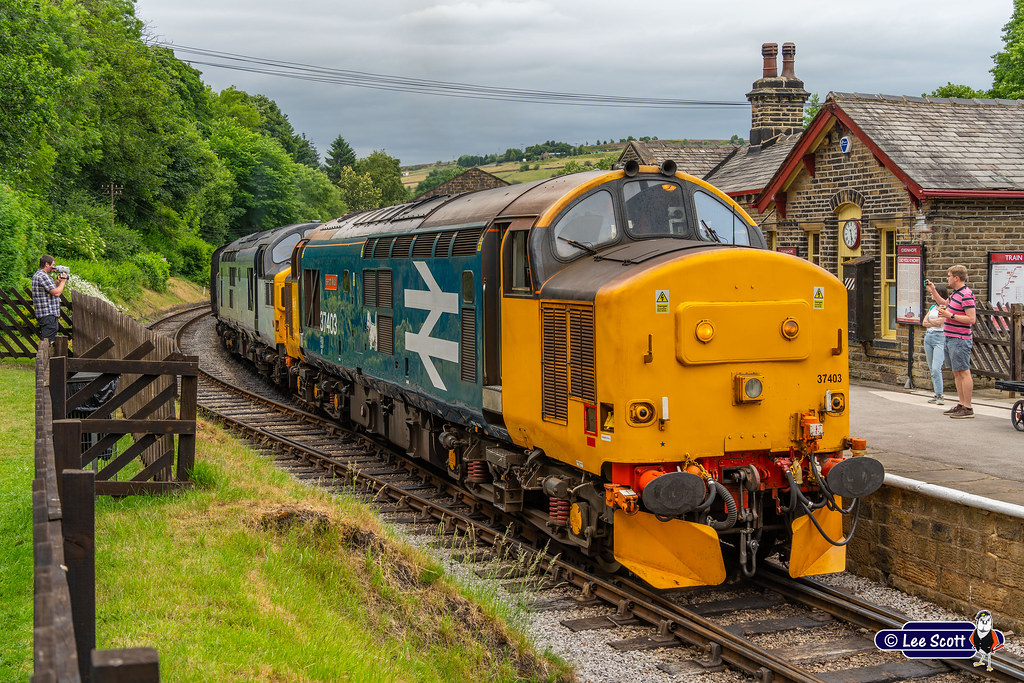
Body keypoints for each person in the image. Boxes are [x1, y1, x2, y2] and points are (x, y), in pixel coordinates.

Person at [925, 265, 976, 418]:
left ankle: (968, 407)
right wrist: (933, 290)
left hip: (960, 339)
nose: (947, 279)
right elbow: (944, 304)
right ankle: (961, 404)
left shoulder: (966, 294)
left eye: (948, 276)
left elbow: (971, 319)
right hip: (950, 337)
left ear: (956, 278)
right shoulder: (955, 294)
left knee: (964, 372)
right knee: (956, 372)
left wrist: (950, 316)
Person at [920, 284, 948, 405]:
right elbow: (923, 323)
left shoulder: (945, 308)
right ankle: (936, 393)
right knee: (931, 368)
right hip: (928, 337)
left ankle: (941, 395)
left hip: (940, 337)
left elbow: (940, 322)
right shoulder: (932, 307)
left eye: (934, 293)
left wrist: (930, 322)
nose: (932, 295)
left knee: (937, 368)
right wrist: (932, 322)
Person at [31, 254, 68, 346]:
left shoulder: (41, 275)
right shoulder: (43, 276)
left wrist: (58, 282)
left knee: (47, 337)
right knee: (46, 338)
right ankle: (42, 359)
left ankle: (43, 358)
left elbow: (51, 291)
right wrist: (63, 282)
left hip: (47, 312)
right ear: (47, 264)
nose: (54, 267)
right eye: (53, 265)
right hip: (47, 312)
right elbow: (56, 293)